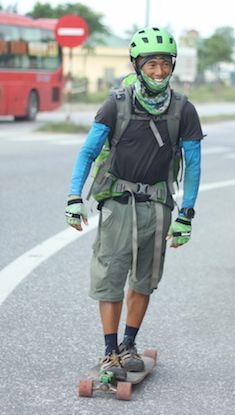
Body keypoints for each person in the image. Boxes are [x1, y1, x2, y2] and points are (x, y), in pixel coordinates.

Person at [65, 27, 203, 379]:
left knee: (144, 280)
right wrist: (73, 198)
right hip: (117, 204)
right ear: (137, 64)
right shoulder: (117, 104)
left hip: (157, 206)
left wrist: (186, 214)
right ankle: (109, 351)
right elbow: (88, 152)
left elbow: (194, 165)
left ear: (173, 65)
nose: (158, 71)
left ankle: (129, 343)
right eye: (151, 63)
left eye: (164, 64)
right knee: (110, 275)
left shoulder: (183, 110)